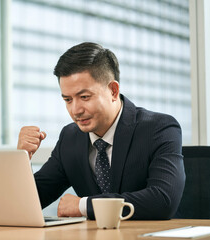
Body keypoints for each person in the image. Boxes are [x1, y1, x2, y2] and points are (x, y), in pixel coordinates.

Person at [17, 42, 185, 220]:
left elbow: (163, 200)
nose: (75, 110)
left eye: (84, 97)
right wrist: (21, 160)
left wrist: (83, 205)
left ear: (113, 90)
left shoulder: (159, 129)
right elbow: (29, 201)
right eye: (67, 99)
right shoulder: (70, 138)